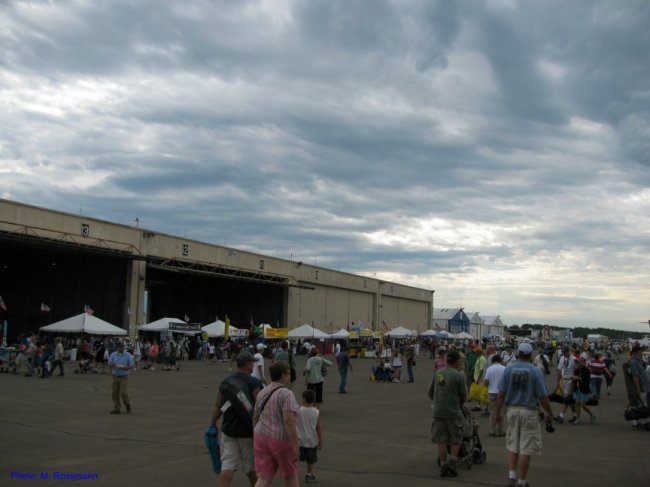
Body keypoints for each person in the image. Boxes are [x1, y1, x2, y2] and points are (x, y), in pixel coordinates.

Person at [495, 343, 554, 487]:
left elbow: (501, 393)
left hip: (512, 410)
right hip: (528, 411)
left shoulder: (509, 369)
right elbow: (542, 396)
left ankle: (511, 476)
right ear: (530, 355)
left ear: (519, 354)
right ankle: (521, 481)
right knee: (525, 448)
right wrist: (550, 412)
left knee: (512, 445)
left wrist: (497, 412)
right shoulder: (535, 371)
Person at [210, 351, 262, 487]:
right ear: (247, 364)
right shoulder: (253, 382)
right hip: (248, 431)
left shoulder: (226, 381)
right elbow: (260, 406)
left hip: (229, 430)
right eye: (252, 362)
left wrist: (212, 424)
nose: (253, 365)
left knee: (227, 465)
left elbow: (218, 405)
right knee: (250, 467)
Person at [253, 361, 300, 487]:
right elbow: (289, 420)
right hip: (280, 440)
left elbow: (256, 416)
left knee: (264, 478)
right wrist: (295, 444)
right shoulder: (287, 393)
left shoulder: (262, 392)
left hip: (260, 436)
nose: (290, 376)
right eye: (289, 373)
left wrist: (254, 435)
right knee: (290, 476)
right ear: (283, 375)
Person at [427, 350, 467, 478]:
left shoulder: (438, 373)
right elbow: (463, 396)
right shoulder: (459, 376)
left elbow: (430, 392)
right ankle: (453, 462)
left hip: (438, 411)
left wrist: (438, 401)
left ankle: (443, 465)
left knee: (441, 440)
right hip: (453, 412)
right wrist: (459, 405)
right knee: (456, 439)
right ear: (457, 361)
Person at [297, 389, 322, 484]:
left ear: (304, 399)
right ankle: (308, 474)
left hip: (299, 440)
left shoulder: (298, 410)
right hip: (311, 440)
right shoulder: (316, 412)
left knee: (297, 458)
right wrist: (320, 441)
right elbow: (318, 428)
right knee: (310, 459)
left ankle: (294, 474)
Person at [626, 345, 650, 430]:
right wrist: (638, 387)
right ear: (637, 352)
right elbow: (635, 376)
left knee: (641, 405)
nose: (642, 352)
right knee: (639, 405)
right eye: (641, 351)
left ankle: (636, 422)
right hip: (642, 387)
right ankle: (635, 423)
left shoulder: (637, 361)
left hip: (644, 386)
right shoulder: (633, 362)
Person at [107, 341, 134, 414]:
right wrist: (113, 365)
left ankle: (127, 403)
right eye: (119, 347)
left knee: (123, 392)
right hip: (115, 376)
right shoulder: (113, 355)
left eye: (122, 347)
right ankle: (117, 408)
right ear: (117, 348)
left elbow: (131, 365)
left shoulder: (128, 355)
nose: (121, 348)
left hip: (124, 376)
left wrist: (126, 367)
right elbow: (109, 364)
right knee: (114, 393)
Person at [484, 354, 506, 436]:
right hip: (502, 392)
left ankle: (492, 430)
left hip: (492, 392)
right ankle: (501, 429)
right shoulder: (504, 368)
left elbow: (486, 382)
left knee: (493, 412)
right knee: (501, 412)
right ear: (500, 360)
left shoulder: (489, 369)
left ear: (492, 360)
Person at [554, 347, 577, 423]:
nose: (564, 354)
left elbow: (577, 371)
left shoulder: (574, 359)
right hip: (564, 380)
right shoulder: (562, 358)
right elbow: (559, 370)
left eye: (565, 353)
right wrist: (558, 382)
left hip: (571, 381)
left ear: (569, 351)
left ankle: (561, 416)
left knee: (566, 399)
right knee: (570, 400)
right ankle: (574, 416)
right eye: (563, 353)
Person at [571, 356, 595, 425]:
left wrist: (578, 378)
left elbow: (587, 381)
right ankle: (578, 419)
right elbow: (574, 379)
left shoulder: (586, 370)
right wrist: (573, 378)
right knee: (577, 403)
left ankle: (592, 414)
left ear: (583, 362)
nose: (577, 363)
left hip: (584, 389)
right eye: (577, 362)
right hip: (577, 388)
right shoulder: (577, 370)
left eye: (578, 362)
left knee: (583, 405)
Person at [471, 347, 487, 411]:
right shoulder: (479, 358)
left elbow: (481, 369)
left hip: (480, 378)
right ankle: (478, 405)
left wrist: (478, 379)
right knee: (479, 392)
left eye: (476, 352)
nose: (475, 353)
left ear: (479, 352)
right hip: (478, 377)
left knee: (480, 392)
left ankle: (480, 406)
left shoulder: (482, 358)